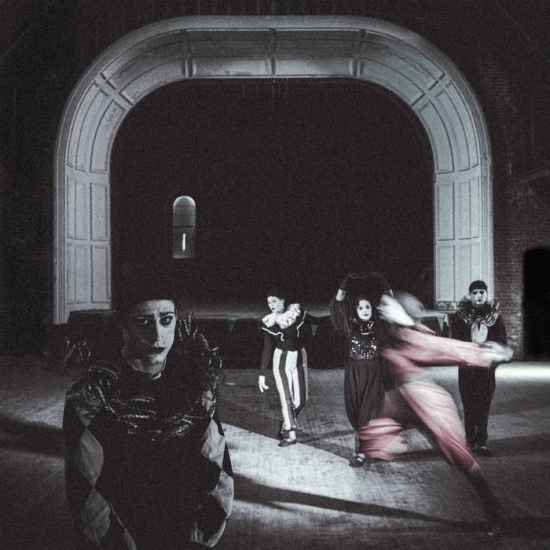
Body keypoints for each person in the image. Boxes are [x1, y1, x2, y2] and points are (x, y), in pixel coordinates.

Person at [63, 271, 234, 549]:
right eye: (143, 322)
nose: (157, 335)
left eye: (166, 320)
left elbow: (217, 470)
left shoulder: (197, 388)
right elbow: (85, 490)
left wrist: (199, 538)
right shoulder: (92, 395)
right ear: (122, 323)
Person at [360, 292, 512, 534]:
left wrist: (486, 353)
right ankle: (368, 483)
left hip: (427, 399)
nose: (380, 309)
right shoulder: (392, 333)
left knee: (460, 456)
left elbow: (445, 348)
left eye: (386, 307)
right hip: (404, 397)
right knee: (372, 435)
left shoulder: (409, 336)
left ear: (398, 313)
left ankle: (495, 512)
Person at [329, 272, 391, 467]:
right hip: (355, 375)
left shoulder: (379, 326)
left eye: (367, 307)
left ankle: (361, 452)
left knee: (368, 413)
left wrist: (384, 285)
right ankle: (370, 446)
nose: (364, 310)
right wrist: (344, 284)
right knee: (358, 414)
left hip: (374, 373)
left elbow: (391, 304)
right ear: (355, 310)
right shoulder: (350, 327)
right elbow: (338, 304)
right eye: (360, 307)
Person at [450, 280, 508, 456]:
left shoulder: (495, 317)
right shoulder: (460, 317)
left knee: (483, 405)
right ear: (470, 295)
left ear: (486, 294)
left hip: (485, 369)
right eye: (475, 292)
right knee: (469, 405)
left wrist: (492, 359)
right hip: (467, 369)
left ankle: (481, 442)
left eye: (482, 292)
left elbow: (502, 342)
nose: (479, 295)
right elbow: (455, 342)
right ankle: (469, 441)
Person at [258, 289, 312, 447]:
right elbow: (267, 348)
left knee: (301, 401)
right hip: (281, 360)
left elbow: (316, 321)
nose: (271, 305)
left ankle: (286, 422)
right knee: (286, 399)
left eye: (274, 301)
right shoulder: (270, 321)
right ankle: (290, 434)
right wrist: (262, 374)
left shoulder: (297, 312)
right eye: (269, 302)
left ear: (283, 300)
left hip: (300, 357)